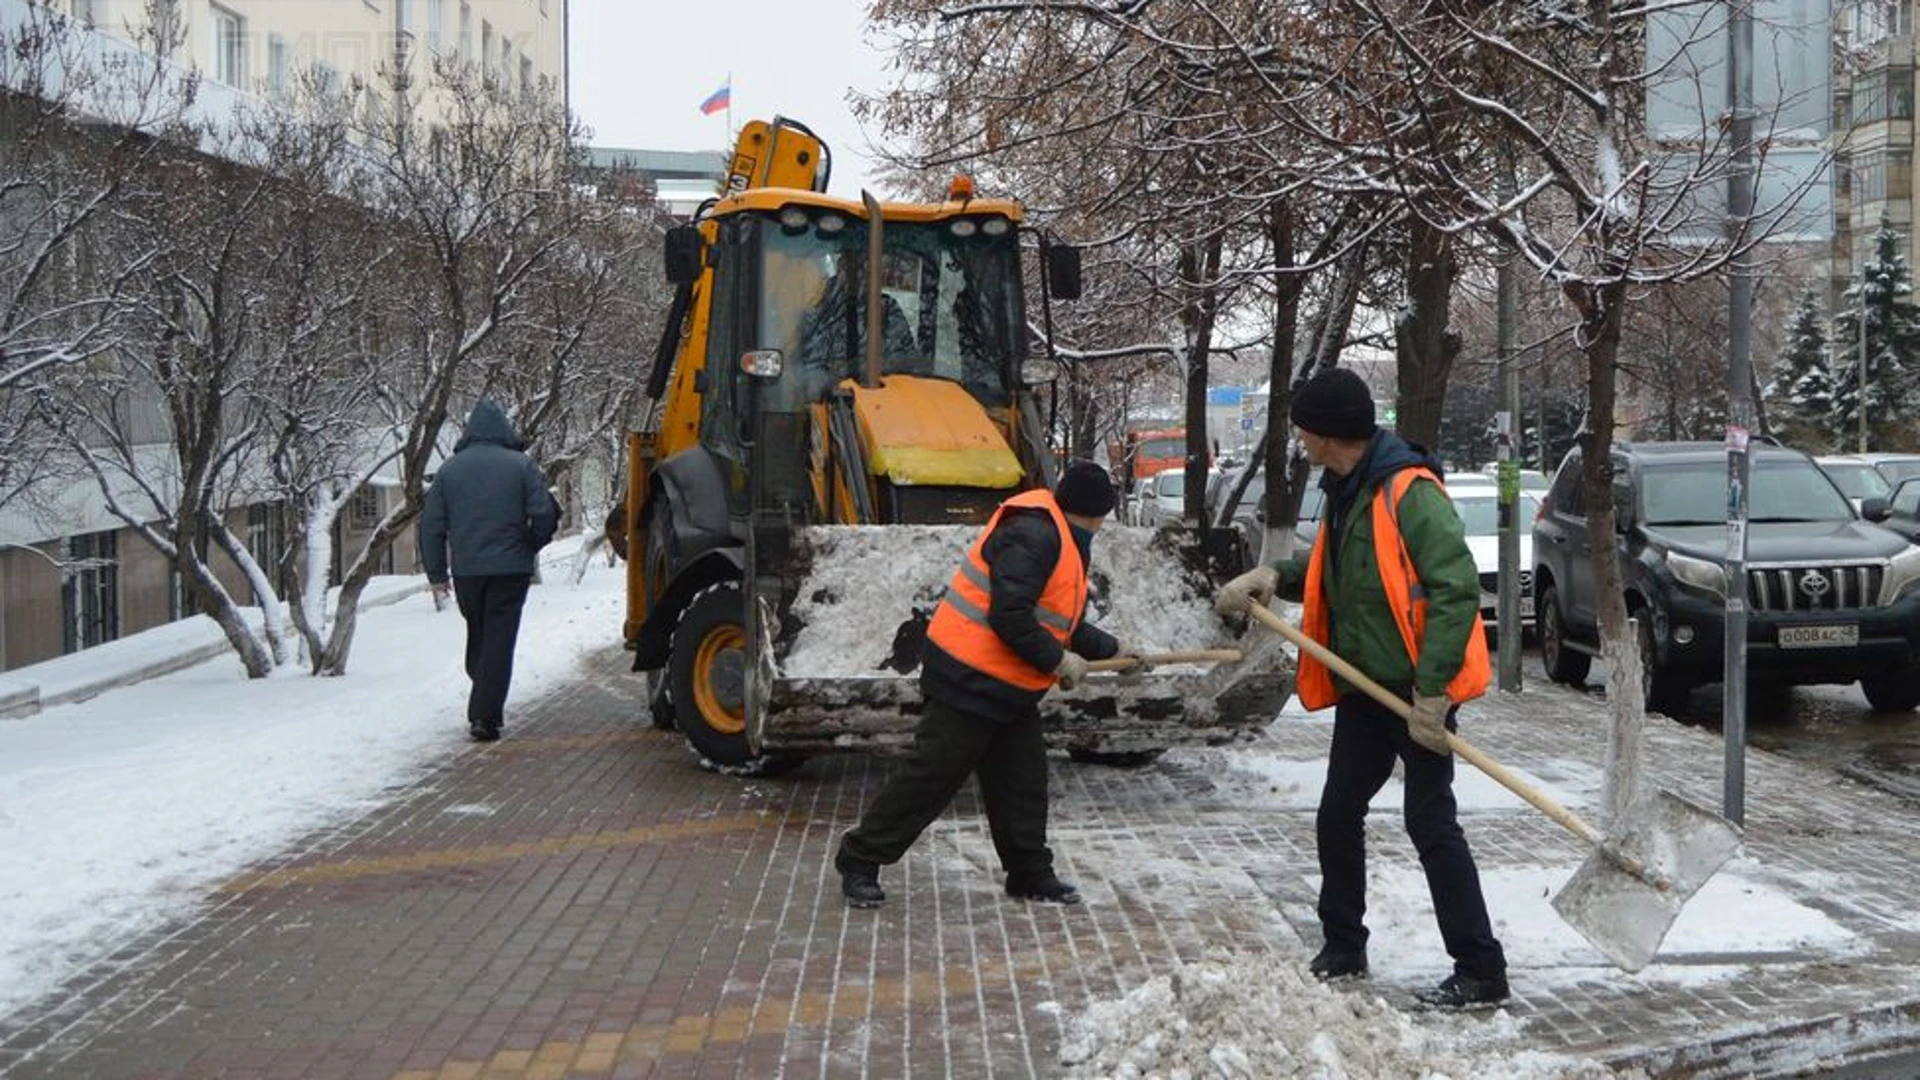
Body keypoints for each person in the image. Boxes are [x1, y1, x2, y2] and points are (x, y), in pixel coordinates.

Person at [1215, 367, 1508, 1009]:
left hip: (1414, 691)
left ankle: (1482, 968)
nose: (1299, 440)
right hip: (1363, 688)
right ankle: (1344, 943)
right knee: (1338, 813)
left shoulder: (1410, 493)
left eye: (1303, 430)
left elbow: (1456, 592)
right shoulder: (1350, 489)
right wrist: (1272, 574)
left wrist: (1433, 696)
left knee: (1430, 824)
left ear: (1326, 433)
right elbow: (1333, 574)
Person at [834, 460, 1141, 908]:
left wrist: (1114, 651)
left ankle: (1029, 874)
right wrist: (1057, 660)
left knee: (1022, 781)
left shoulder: (1063, 539)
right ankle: (859, 858)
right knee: (932, 777)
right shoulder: (1035, 536)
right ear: (1096, 513)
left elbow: (1057, 622)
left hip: (1009, 685)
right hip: (967, 676)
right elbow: (1010, 616)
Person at [419, 399, 561, 742]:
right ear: (504, 430)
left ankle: (484, 699)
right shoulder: (522, 466)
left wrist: (437, 573)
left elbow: (430, 527)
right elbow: (544, 513)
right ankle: (484, 713)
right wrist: (531, 544)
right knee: (498, 639)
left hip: (467, 571)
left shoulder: (449, 471)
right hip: (510, 568)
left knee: (481, 633)